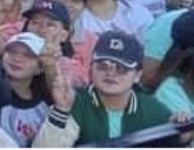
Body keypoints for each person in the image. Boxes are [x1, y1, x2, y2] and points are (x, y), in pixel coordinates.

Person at [33, 31, 177, 146]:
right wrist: (61, 110)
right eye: (102, 65)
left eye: (121, 68)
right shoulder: (75, 102)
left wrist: (183, 135)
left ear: (137, 76)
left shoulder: (153, 108)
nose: (110, 73)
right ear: (91, 68)